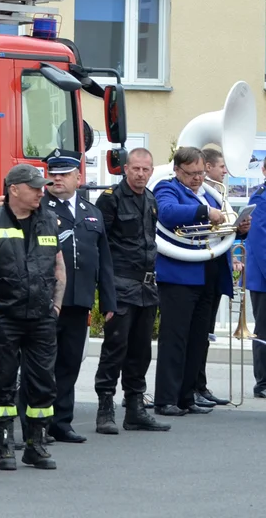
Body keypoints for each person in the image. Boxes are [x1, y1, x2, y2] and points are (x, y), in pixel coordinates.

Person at [0, 164, 65, 471]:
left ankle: (36, 446)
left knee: (43, 384)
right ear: (14, 189)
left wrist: (56, 308)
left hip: (41, 317)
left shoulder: (49, 221)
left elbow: (59, 268)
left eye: (41, 187)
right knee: (1, 384)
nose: (41, 192)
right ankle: (5, 446)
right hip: (5, 317)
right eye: (35, 187)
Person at [34, 149, 117, 444]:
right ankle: (38, 423)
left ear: (78, 177)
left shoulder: (90, 212)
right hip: (46, 300)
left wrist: (108, 300)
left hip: (78, 299)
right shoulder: (38, 209)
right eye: (53, 173)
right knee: (41, 364)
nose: (57, 178)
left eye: (64, 173)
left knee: (70, 362)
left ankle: (61, 421)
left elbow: (103, 260)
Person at [93, 147, 171, 432]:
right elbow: (100, 247)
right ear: (125, 169)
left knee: (141, 350)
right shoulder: (110, 200)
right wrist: (105, 292)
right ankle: (105, 408)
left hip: (147, 286)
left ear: (151, 171)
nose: (140, 174)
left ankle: (135, 407)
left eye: (145, 170)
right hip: (121, 285)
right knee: (115, 347)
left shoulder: (151, 199)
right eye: (135, 169)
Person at [152, 146, 222, 417]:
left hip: (206, 273)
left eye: (201, 172)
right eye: (191, 173)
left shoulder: (205, 193)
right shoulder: (167, 188)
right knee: (175, 339)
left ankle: (187, 395)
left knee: (196, 339)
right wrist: (205, 212)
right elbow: (167, 213)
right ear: (177, 170)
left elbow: (219, 226)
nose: (197, 178)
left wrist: (238, 228)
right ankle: (166, 399)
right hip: (178, 275)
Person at [192, 147, 238, 407]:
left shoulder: (217, 194)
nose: (225, 171)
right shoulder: (201, 196)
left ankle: (201, 384)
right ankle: (194, 386)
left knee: (205, 334)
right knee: (198, 333)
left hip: (215, 267)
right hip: (200, 267)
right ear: (208, 167)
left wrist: (237, 229)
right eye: (221, 166)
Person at [245, 157, 266, 399]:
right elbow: (260, 240)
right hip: (263, 278)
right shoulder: (261, 196)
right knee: (264, 330)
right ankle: (263, 382)